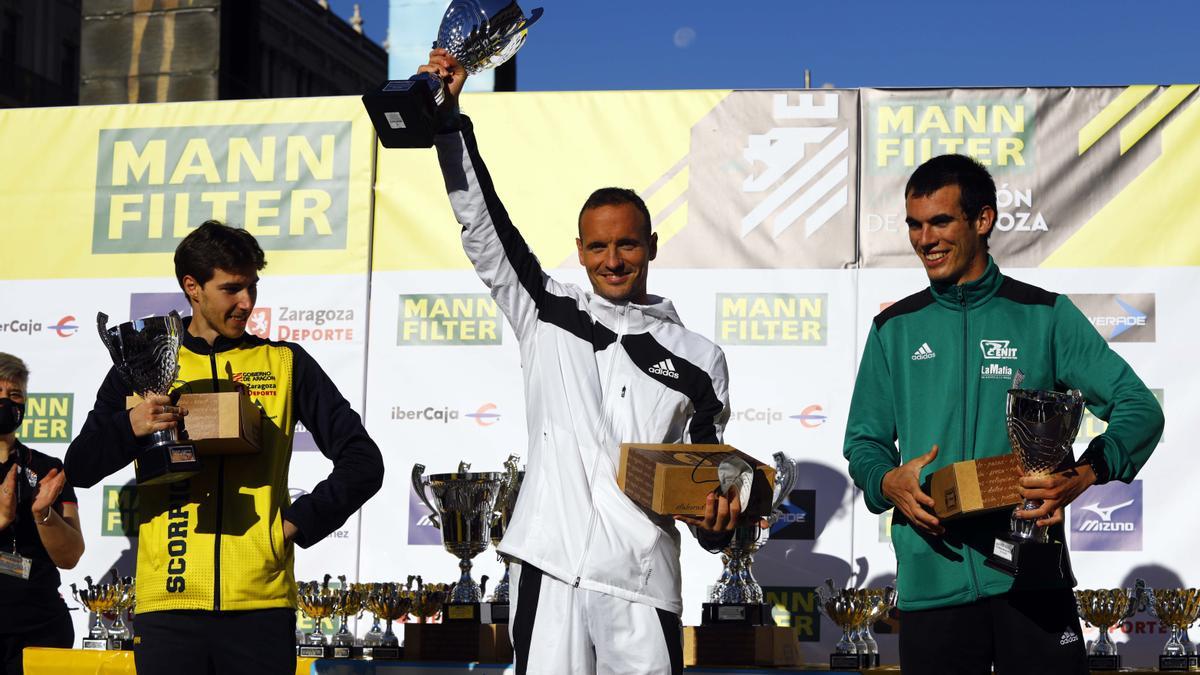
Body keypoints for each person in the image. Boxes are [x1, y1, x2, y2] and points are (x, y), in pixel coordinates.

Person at [421, 49, 743, 675]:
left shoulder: (700, 360)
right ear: (580, 249)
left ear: (651, 244)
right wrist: (448, 121)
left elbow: (704, 478)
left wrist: (719, 524)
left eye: (627, 243)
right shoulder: (544, 309)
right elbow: (484, 229)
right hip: (548, 573)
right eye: (598, 245)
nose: (613, 259)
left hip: (642, 581)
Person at [843, 154, 1164, 675]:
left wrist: (1083, 473)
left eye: (941, 221)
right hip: (933, 578)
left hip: (1031, 577)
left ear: (982, 220)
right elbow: (864, 443)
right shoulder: (893, 330)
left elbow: (1139, 408)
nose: (925, 239)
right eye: (914, 225)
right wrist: (887, 481)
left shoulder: (1044, 314)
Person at [65, 222, 384, 675]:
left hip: (260, 604)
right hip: (168, 607)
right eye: (232, 289)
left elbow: (364, 463)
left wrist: (292, 526)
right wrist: (131, 426)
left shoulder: (286, 363)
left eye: (252, 287)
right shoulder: (140, 364)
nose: (247, 303)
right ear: (191, 287)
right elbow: (79, 466)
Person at [0, 353, 84, 675]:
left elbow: (71, 556)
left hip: (41, 629)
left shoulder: (49, 469)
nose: (5, 403)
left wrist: (42, 514)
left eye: (15, 395)